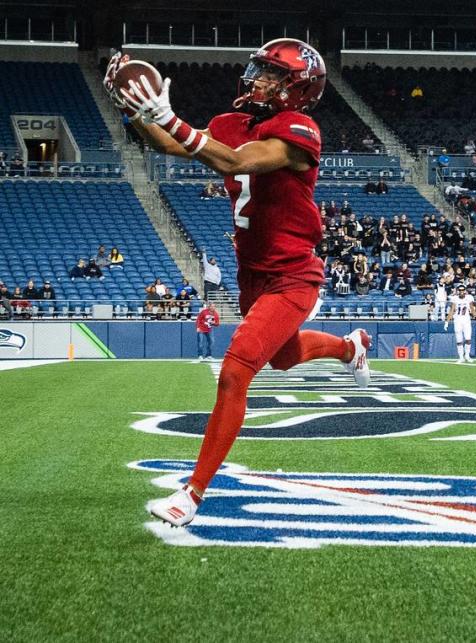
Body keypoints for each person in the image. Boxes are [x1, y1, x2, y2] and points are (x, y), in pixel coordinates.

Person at [106, 39, 371, 527]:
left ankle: (192, 493)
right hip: (253, 274)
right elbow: (171, 144)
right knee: (284, 356)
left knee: (235, 371)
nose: (257, 79)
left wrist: (171, 119)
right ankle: (349, 347)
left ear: (296, 90)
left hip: (293, 274)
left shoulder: (300, 129)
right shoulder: (233, 121)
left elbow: (235, 162)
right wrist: (137, 114)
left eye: (271, 75)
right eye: (259, 70)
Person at [445, 284, 476, 363]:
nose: (461, 292)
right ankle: (461, 357)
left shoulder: (469, 298)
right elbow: (452, 310)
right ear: (458, 291)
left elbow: (472, 309)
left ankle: (467, 356)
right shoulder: (455, 299)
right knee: (459, 340)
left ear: (465, 291)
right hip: (457, 320)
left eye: (462, 290)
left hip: (466, 320)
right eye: (460, 290)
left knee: (468, 339)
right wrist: (447, 321)